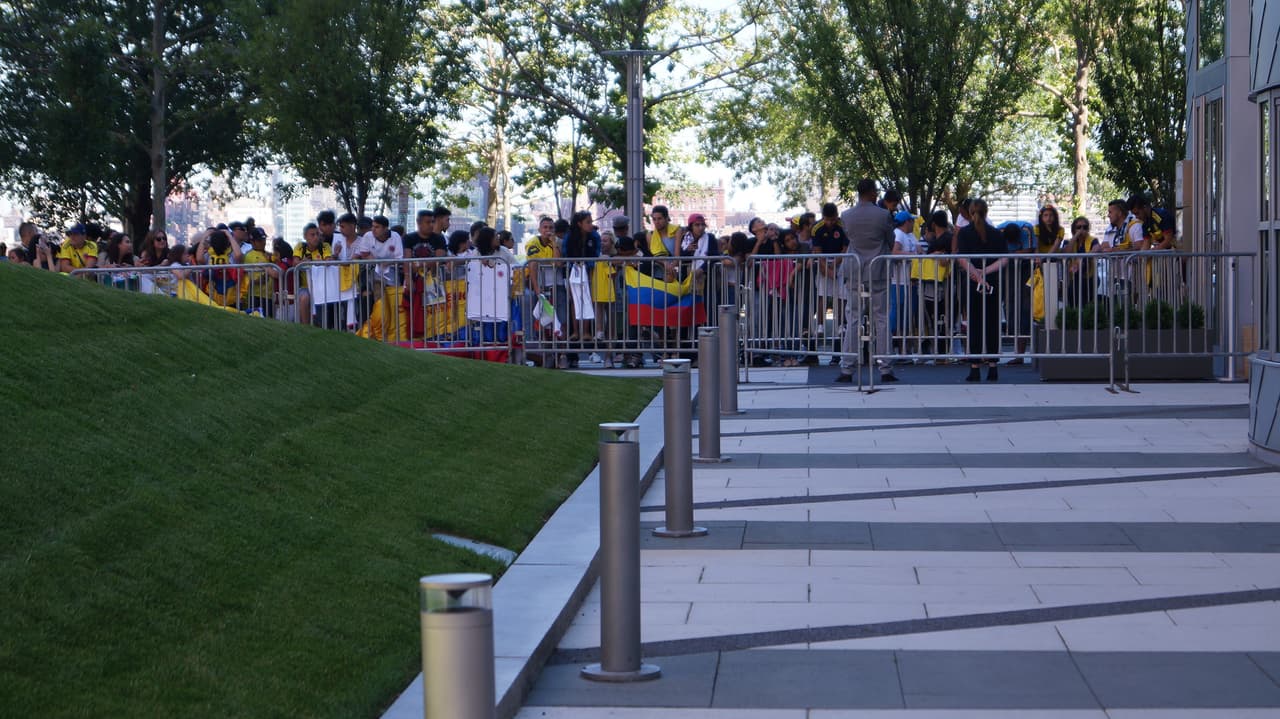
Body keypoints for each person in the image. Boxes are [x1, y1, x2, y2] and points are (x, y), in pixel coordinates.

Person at [837, 179, 896, 383]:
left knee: (852, 318)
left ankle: (847, 367)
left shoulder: (846, 216)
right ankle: (885, 368)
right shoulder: (883, 215)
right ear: (872, 192)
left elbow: (849, 238)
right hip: (878, 268)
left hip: (854, 269)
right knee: (881, 318)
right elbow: (890, 239)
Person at [955, 199, 1009, 382]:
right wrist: (985, 274)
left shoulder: (964, 233)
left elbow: (962, 259)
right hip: (993, 281)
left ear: (970, 213)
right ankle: (993, 366)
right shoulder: (996, 234)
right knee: (993, 321)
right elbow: (1004, 259)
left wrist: (977, 276)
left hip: (972, 283)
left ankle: (975, 366)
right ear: (986, 212)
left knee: (975, 323)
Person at [812, 203, 850, 364]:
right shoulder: (817, 228)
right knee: (822, 295)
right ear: (823, 217)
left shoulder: (842, 225)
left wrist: (836, 264)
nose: (830, 223)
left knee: (841, 296)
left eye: (833, 219)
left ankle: (841, 324)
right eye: (828, 220)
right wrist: (826, 270)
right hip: (824, 263)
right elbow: (817, 252)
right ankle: (820, 325)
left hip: (840, 263)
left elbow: (846, 247)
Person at [889, 210, 919, 356]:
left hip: (910, 281)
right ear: (907, 222)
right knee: (897, 313)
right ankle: (890, 343)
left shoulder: (910, 235)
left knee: (908, 314)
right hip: (898, 281)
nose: (914, 223)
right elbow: (894, 252)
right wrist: (912, 256)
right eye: (912, 221)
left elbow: (919, 250)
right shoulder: (898, 233)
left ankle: (904, 348)